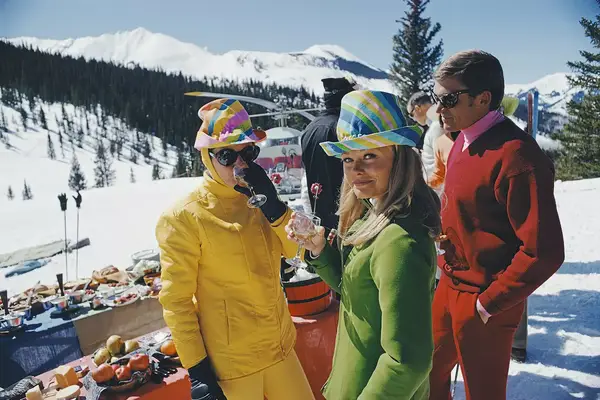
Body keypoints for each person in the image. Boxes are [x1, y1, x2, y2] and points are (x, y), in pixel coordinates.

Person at [156, 98, 315, 400]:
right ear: (208, 156)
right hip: (233, 367)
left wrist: (275, 207)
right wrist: (198, 370)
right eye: (228, 156)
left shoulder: (259, 199)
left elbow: (298, 252)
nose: (241, 165)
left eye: (249, 153)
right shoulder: (183, 217)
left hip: (281, 349)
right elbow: (177, 302)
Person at [428, 50, 565, 400]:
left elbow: (544, 251)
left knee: (483, 392)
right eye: (435, 98)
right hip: (450, 286)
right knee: (427, 373)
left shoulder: (518, 157)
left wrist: (489, 302)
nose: (438, 109)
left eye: (448, 99)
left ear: (483, 99)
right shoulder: (462, 138)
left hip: (484, 299)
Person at [287, 90, 441, 399]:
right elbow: (357, 292)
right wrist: (320, 249)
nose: (356, 170)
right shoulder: (373, 215)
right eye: (348, 159)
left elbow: (407, 361)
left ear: (399, 158)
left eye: (369, 155)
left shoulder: (399, 241)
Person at [301, 77, 357, 231]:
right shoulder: (345, 128)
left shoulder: (309, 129)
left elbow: (305, 178)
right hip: (349, 217)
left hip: (320, 220)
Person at [408, 91, 444, 185]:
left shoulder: (437, 126)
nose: (414, 119)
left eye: (411, 115)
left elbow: (441, 161)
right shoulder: (438, 123)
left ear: (417, 108)